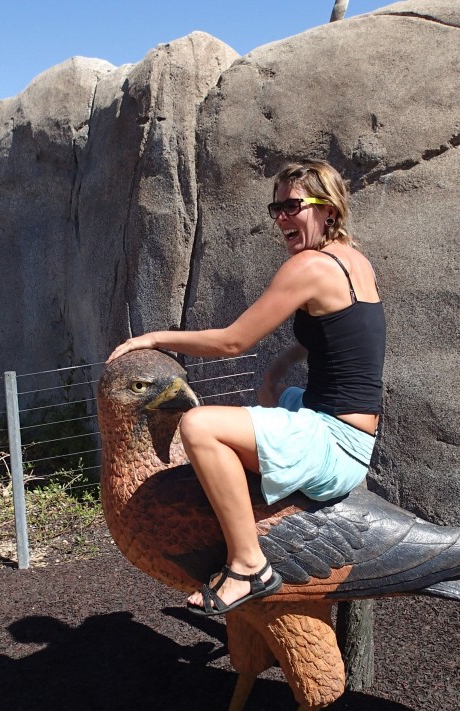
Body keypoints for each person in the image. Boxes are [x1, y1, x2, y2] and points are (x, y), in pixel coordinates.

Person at [106, 160, 385, 616]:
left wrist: (154, 338)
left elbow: (232, 341)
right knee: (267, 397)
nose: (281, 217)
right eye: (276, 207)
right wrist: (281, 368)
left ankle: (248, 563)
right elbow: (349, 338)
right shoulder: (355, 262)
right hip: (345, 428)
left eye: (293, 205)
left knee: (200, 427)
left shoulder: (310, 265)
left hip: (335, 441)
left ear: (329, 210)